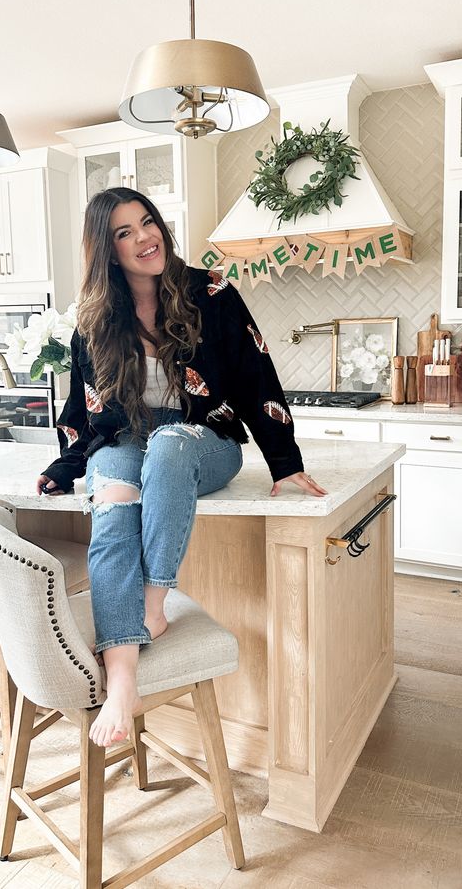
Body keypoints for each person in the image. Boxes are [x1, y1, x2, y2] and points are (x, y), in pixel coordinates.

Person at [36, 187, 326, 748]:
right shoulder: (94, 321)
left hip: (204, 442)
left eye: (147, 223)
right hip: (129, 439)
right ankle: (122, 674)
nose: (145, 238)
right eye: (124, 232)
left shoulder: (209, 293)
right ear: (106, 249)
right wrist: (69, 465)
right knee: (114, 500)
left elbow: (255, 376)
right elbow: (82, 407)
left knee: (169, 442)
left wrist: (284, 462)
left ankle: (151, 606)